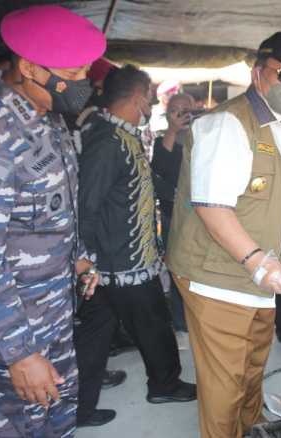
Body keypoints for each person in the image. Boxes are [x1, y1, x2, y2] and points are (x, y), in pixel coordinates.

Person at [0, 6, 103, 436]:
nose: (84, 80)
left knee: (59, 417)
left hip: (52, 306)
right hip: (11, 327)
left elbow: (52, 207)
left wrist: (77, 259)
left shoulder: (47, 116)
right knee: (20, 425)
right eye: (75, 70)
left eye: (87, 68)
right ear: (29, 67)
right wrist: (19, 355)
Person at [167, 30, 281, 437]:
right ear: (259, 73)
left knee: (252, 370)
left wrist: (269, 267)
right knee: (225, 386)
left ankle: (251, 430)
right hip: (218, 277)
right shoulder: (227, 123)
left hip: (261, 276)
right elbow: (212, 207)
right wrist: (259, 262)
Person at [77, 65, 196, 407]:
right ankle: (164, 385)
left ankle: (81, 405)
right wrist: (85, 260)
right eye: (149, 97)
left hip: (126, 256)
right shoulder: (106, 140)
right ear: (138, 97)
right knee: (155, 325)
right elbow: (88, 204)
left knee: (96, 332)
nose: (151, 105)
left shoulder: (122, 135)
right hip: (122, 262)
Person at [152, 92, 196, 345]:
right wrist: (172, 130)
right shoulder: (163, 141)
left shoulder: (201, 136)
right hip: (173, 215)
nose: (181, 114)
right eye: (175, 110)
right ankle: (180, 323)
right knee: (177, 267)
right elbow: (160, 169)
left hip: (200, 215)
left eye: (185, 109)